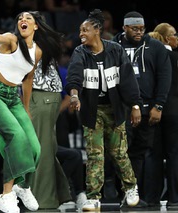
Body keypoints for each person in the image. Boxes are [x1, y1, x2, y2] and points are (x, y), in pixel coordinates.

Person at [0, 10, 61, 212]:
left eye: (28, 18)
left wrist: (26, 108)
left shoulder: (37, 51)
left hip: (13, 98)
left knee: (36, 148)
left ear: (36, 26)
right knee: (17, 138)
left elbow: (28, 79)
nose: (23, 20)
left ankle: (23, 187)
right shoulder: (11, 40)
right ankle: (7, 195)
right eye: (20, 18)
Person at [65, 9, 142, 211]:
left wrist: (135, 106)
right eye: (80, 30)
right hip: (92, 111)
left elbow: (128, 81)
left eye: (85, 30)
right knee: (94, 155)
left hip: (115, 110)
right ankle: (93, 198)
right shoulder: (80, 53)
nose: (81, 33)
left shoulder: (116, 50)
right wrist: (74, 95)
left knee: (119, 153)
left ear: (97, 30)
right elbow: (74, 75)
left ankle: (131, 187)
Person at [113, 11, 172, 201]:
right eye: (134, 29)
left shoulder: (155, 46)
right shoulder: (113, 46)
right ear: (124, 28)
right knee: (119, 152)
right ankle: (118, 191)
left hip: (148, 109)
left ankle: (131, 195)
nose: (139, 32)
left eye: (142, 28)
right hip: (121, 108)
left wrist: (159, 105)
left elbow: (164, 77)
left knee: (139, 152)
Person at [28, 56, 73, 209]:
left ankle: (46, 198)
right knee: (45, 152)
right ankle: (61, 194)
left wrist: (54, 113)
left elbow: (67, 97)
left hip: (49, 109)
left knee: (44, 152)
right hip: (43, 104)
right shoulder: (41, 55)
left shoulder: (57, 68)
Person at [144, 23, 178, 209]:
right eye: (174, 34)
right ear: (166, 39)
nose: (177, 37)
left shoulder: (149, 56)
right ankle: (174, 198)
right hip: (174, 111)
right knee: (174, 154)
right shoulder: (174, 57)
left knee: (152, 155)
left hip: (152, 111)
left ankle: (151, 198)